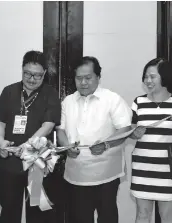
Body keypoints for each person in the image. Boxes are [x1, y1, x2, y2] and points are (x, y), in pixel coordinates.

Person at [56, 56, 132, 223]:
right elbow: (60, 130)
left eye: (88, 78)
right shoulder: (68, 102)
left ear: (98, 77)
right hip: (76, 175)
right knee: (80, 218)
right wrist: (66, 146)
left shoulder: (112, 99)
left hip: (106, 174)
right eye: (79, 78)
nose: (83, 82)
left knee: (107, 217)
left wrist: (106, 144)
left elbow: (125, 128)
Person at [0, 50, 61, 223]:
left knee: (37, 209)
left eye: (37, 76)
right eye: (28, 74)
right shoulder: (8, 91)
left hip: (36, 162)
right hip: (10, 161)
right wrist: (1, 142)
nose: (32, 79)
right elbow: (0, 122)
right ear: (22, 70)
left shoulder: (50, 94)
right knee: (9, 209)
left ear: (44, 74)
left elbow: (48, 125)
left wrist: (28, 146)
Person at [130, 58, 172, 223]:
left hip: (169, 170)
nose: (148, 81)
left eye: (152, 77)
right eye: (146, 76)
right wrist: (134, 134)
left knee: (167, 217)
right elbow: (129, 132)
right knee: (142, 215)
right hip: (142, 168)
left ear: (165, 77)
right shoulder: (138, 103)